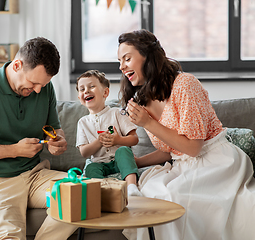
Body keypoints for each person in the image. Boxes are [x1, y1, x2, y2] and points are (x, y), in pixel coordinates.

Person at [118, 29, 255, 240]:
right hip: (185, 165)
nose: (121, 66)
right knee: (151, 195)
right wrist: (137, 162)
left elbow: (193, 147)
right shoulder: (142, 98)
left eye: (127, 58)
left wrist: (147, 123)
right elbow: (171, 150)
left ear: (148, 56)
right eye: (119, 61)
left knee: (171, 198)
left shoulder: (184, 84)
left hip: (216, 161)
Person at [0, 37, 78, 240]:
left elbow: (55, 129)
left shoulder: (44, 88)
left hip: (35, 175)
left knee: (85, 194)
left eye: (43, 84)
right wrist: (15, 150)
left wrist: (58, 142)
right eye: (34, 83)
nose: (38, 90)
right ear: (17, 65)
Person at [75, 70, 141, 196]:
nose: (86, 91)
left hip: (118, 161)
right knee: (90, 167)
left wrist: (118, 141)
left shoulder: (117, 113)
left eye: (91, 86)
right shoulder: (82, 122)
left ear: (105, 92)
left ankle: (132, 187)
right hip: (99, 163)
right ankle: (102, 191)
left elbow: (134, 139)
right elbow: (84, 152)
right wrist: (99, 142)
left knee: (124, 151)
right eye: (82, 89)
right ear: (80, 98)